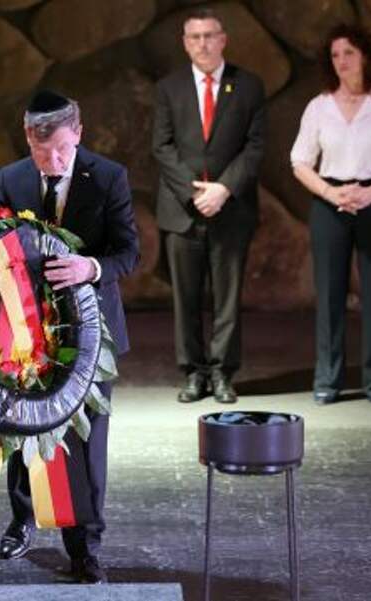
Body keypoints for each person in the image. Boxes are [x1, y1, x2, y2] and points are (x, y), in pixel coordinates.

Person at [0, 90, 139, 584]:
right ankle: (22, 518)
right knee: (21, 427)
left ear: (78, 132)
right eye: (41, 152)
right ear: (27, 138)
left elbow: (129, 253)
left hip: (93, 332)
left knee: (87, 441)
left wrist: (89, 267)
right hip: (26, 329)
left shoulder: (110, 177)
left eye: (61, 150)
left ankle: (85, 546)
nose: (52, 162)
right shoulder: (12, 178)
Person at [290, 23, 371, 406]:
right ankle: (328, 379)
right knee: (330, 294)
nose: (341, 61)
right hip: (330, 204)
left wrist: (370, 194)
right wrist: (332, 193)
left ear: (365, 56)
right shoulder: (319, 107)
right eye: (335, 55)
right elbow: (299, 162)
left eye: (348, 53)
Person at [152, 8, 265, 404]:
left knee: (227, 300)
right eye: (195, 37)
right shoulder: (169, 88)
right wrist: (193, 191)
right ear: (185, 44)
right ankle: (193, 374)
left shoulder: (248, 86)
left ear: (223, 40)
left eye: (209, 35)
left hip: (231, 209)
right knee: (185, 300)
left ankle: (222, 374)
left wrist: (224, 189)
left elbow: (255, 147)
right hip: (182, 210)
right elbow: (161, 146)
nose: (202, 43)